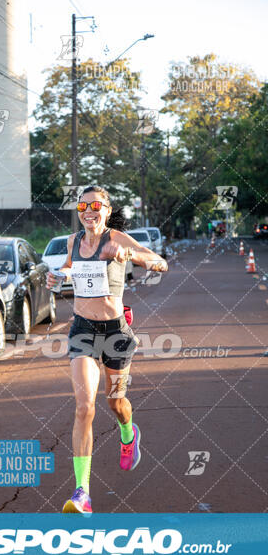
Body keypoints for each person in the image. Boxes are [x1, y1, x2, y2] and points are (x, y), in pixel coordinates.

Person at [46, 185, 168, 513]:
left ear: (107, 209)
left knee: (115, 403)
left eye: (95, 205)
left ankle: (128, 434)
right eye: (82, 205)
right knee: (84, 407)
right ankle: (81, 493)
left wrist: (130, 254)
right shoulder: (74, 242)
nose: (88, 211)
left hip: (115, 333)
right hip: (82, 330)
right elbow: (72, 268)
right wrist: (58, 277)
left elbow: (159, 263)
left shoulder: (118, 238)